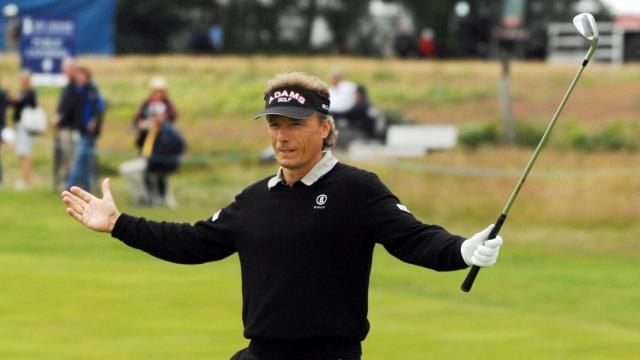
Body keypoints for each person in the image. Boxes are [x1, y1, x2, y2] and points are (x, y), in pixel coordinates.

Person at [61, 72, 503, 360]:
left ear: (325, 127)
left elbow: (414, 238)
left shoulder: (357, 189)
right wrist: (120, 224)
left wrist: (463, 249)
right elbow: (194, 242)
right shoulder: (254, 200)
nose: (282, 136)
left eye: (295, 124)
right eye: (275, 124)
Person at [119, 102, 185, 207]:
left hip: (159, 162)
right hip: (148, 160)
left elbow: (166, 150)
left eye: (156, 115)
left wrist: (149, 160)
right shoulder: (152, 129)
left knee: (129, 170)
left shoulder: (167, 131)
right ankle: (143, 196)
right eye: (152, 115)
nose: (153, 118)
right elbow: (139, 144)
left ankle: (143, 197)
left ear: (163, 115)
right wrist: (142, 132)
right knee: (125, 168)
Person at [66, 67, 105, 192]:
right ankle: (88, 188)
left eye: (81, 75)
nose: (78, 78)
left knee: (80, 157)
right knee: (86, 161)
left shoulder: (92, 90)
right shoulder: (78, 90)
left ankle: (70, 185)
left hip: (89, 132)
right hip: (80, 130)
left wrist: (94, 121)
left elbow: (99, 107)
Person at [53, 58, 80, 192]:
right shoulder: (67, 86)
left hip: (71, 128)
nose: (65, 71)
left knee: (71, 158)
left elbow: (71, 106)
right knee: (66, 158)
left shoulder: (76, 86)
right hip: (64, 127)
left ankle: (71, 186)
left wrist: (61, 116)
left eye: (67, 68)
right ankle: (67, 184)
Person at [132, 76, 178, 152]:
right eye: (155, 91)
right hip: (147, 136)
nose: (158, 94)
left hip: (163, 136)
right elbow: (137, 118)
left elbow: (172, 115)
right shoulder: (147, 103)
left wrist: (162, 119)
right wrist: (140, 123)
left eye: (160, 91)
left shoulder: (167, 103)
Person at [8, 71, 37, 190]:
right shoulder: (22, 92)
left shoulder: (30, 93)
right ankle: (23, 179)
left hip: (26, 127)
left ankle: (26, 181)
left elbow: (25, 103)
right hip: (19, 126)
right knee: (22, 153)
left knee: (25, 153)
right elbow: (13, 103)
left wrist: (16, 99)